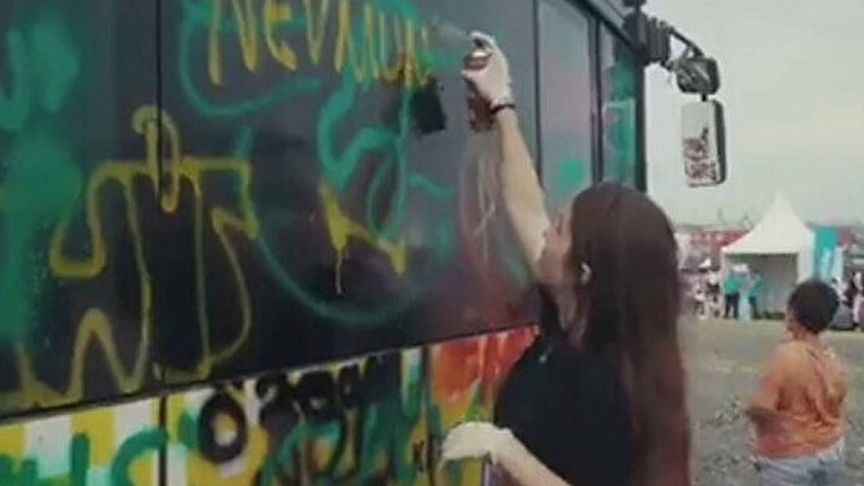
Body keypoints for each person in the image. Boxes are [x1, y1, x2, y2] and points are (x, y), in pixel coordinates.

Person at [440, 32, 690, 486]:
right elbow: (526, 207)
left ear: (585, 271)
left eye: (559, 230)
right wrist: (503, 105)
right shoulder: (572, 326)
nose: (545, 234)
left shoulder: (607, 388)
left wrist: (507, 451)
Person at [747, 279, 848, 485]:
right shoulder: (832, 359)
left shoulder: (785, 356)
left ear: (793, 313)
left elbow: (761, 407)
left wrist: (753, 418)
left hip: (790, 458)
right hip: (832, 450)